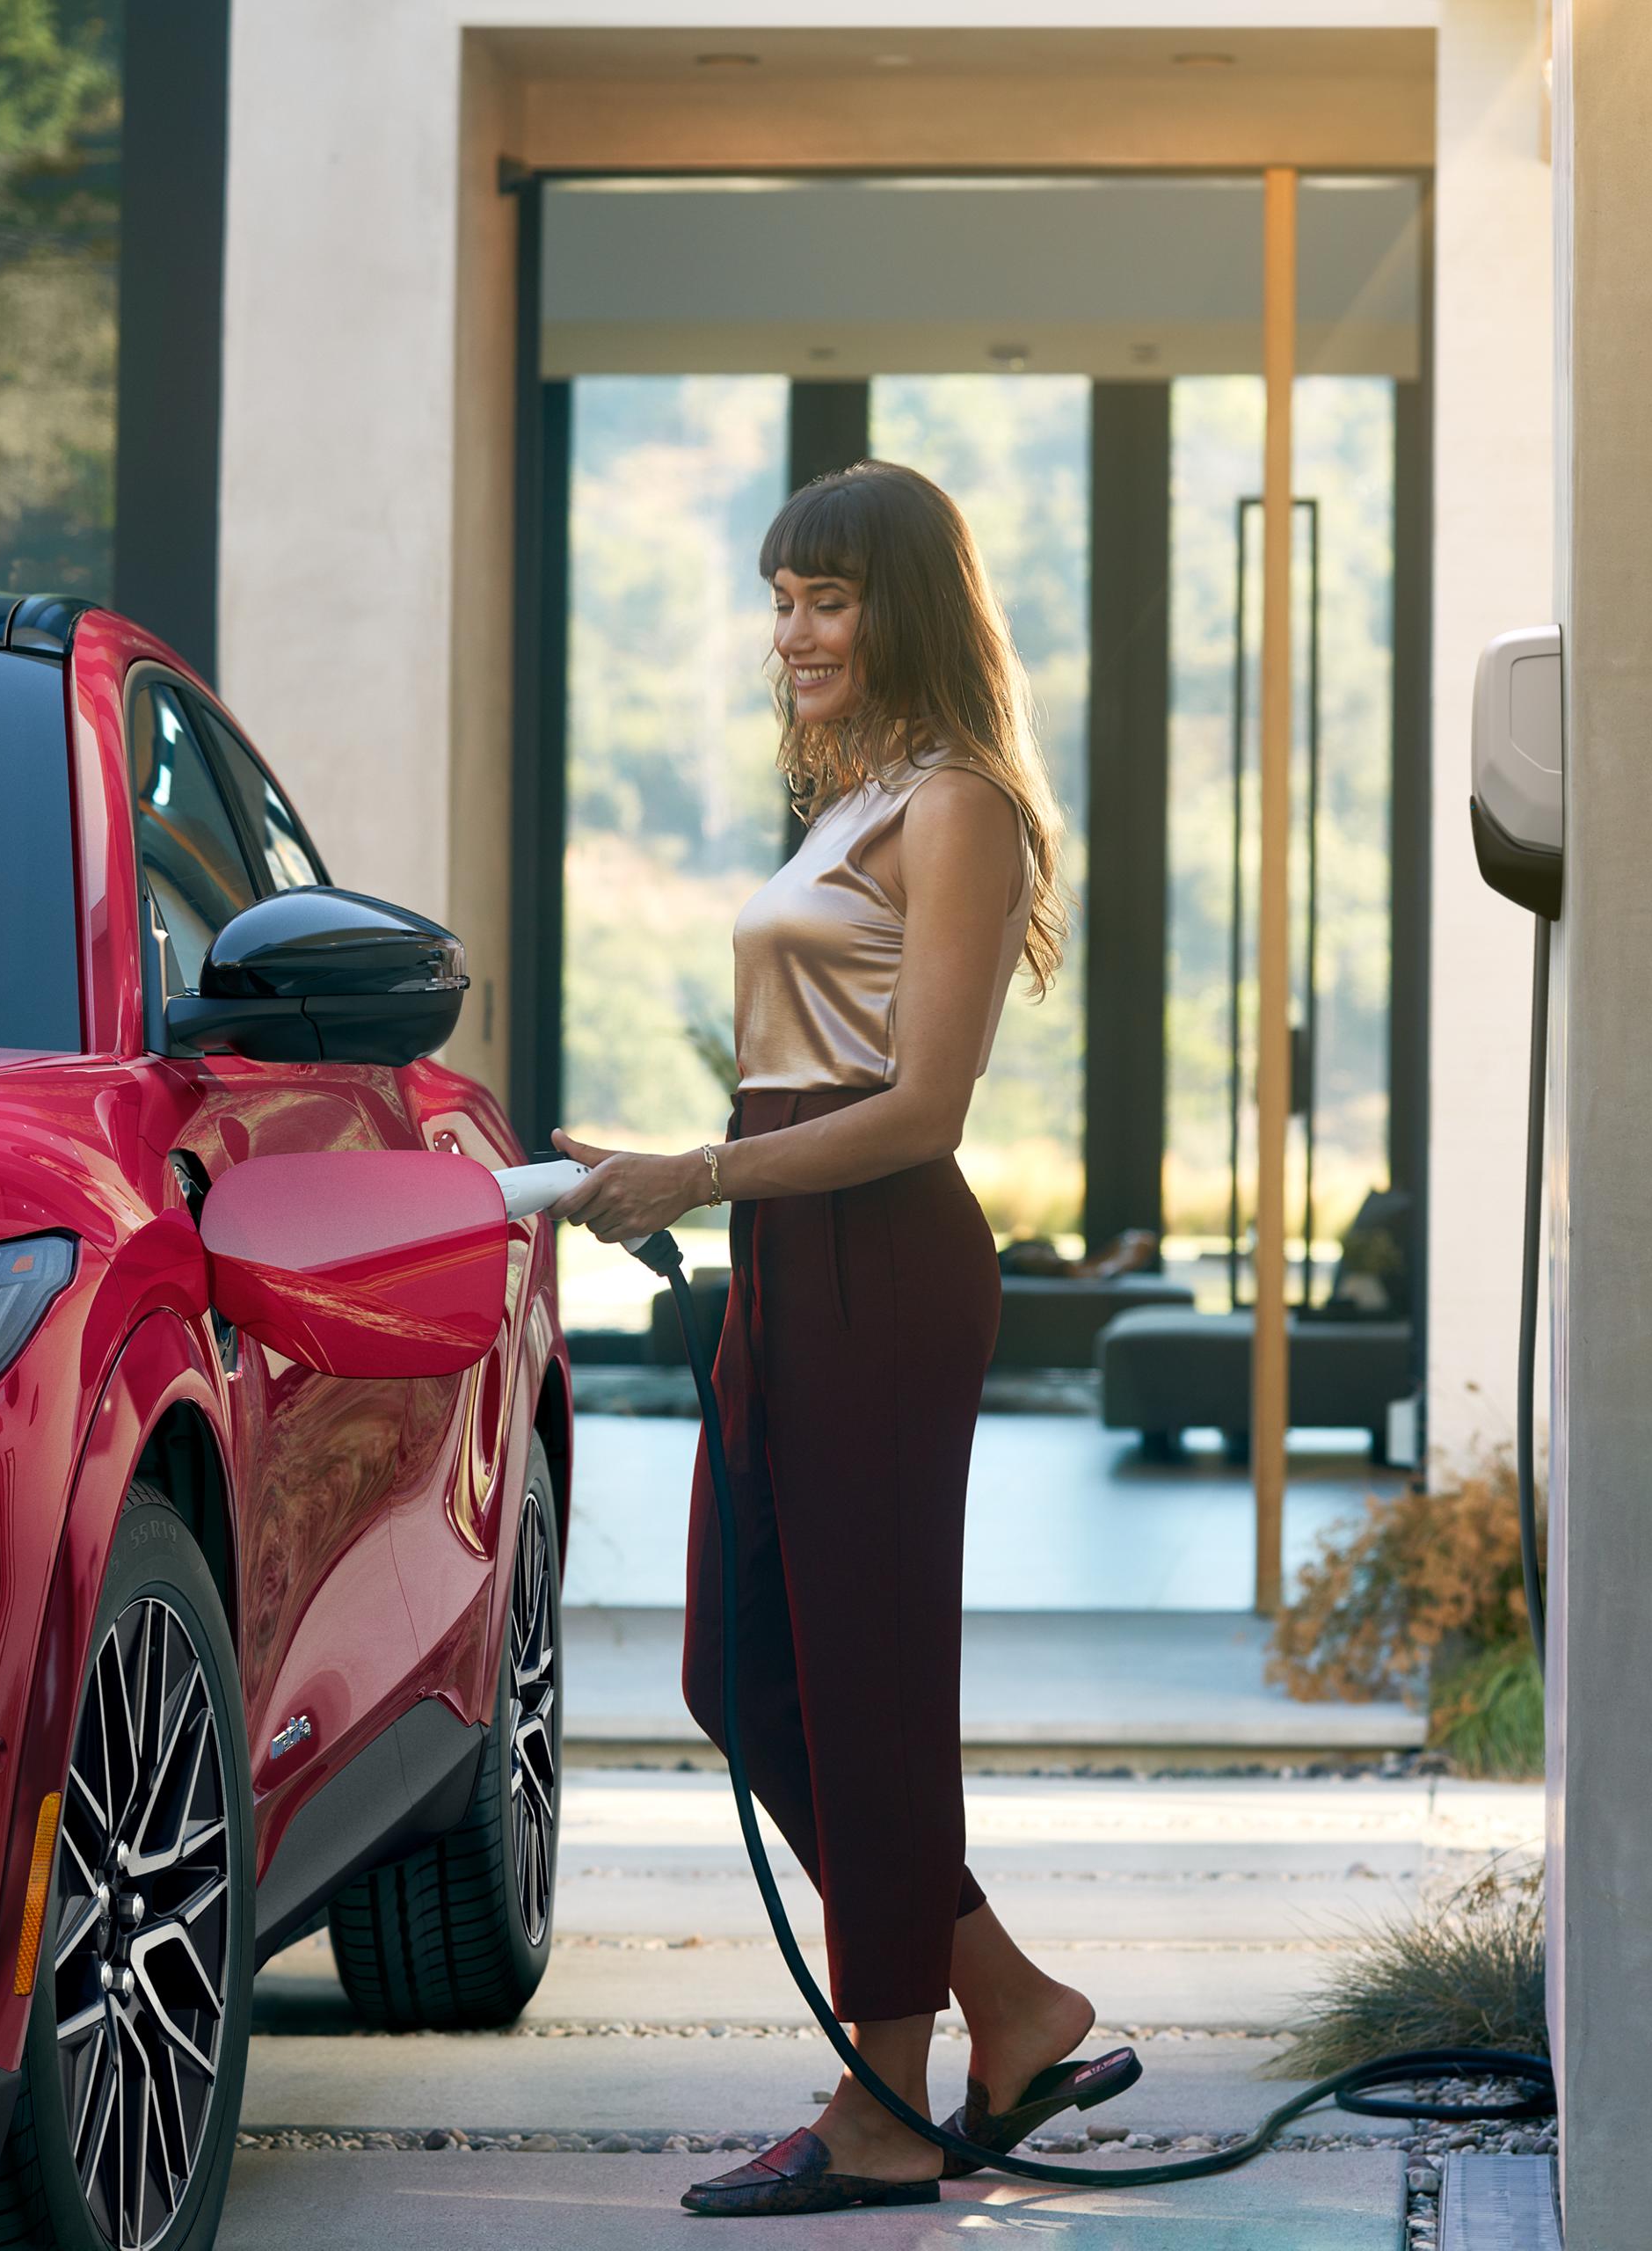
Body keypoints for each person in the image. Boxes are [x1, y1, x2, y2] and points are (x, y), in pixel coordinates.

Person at [552, 461, 1140, 2218]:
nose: (795, 632)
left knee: (868, 1685)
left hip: (881, 1256)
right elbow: (799, 1074)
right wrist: (653, 1169)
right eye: (781, 599)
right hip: (795, 1255)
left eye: (830, 596)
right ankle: (1013, 2002)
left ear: (909, 608)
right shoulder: (852, 798)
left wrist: (699, 1171)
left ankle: (888, 2091)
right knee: (743, 1672)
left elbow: (923, 1109)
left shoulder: (954, 804)